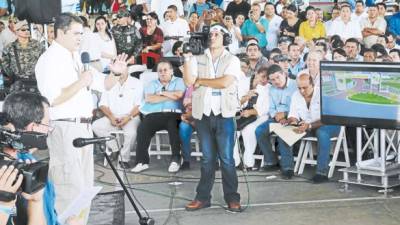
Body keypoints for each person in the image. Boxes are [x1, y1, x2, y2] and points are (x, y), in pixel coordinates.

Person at [35, 13, 125, 224]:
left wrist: (116, 73)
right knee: (68, 188)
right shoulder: (49, 60)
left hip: (84, 128)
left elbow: (103, 84)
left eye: (82, 34)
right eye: (76, 34)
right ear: (61, 32)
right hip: (65, 128)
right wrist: (81, 81)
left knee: (84, 189)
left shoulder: (76, 56)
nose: (80, 38)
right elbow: (52, 98)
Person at [183, 24, 242, 212]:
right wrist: (186, 58)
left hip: (225, 114)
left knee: (227, 160)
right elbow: (188, 81)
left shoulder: (232, 59)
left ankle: (232, 198)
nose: (213, 36)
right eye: (211, 34)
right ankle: (203, 198)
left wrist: (201, 82)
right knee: (207, 159)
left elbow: (225, 82)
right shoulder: (198, 57)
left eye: (217, 33)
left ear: (225, 38)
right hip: (204, 113)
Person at [0, 92, 83, 225]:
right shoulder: (12, 173)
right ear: (33, 127)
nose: (49, 130)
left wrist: (36, 201)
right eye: (47, 124)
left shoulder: (31, 164)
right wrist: (4, 204)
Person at [278, 73, 340, 183]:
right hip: (307, 126)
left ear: (312, 85)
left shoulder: (322, 94)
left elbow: (327, 118)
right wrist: (295, 122)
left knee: (322, 133)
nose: (301, 91)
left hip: (328, 124)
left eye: (305, 88)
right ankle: (287, 169)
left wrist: (309, 125)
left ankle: (322, 173)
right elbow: (293, 115)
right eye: (299, 88)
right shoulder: (296, 95)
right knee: (283, 133)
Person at [131, 60, 186, 173]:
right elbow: (149, 99)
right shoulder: (152, 84)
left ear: (171, 71)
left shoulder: (180, 81)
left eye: (165, 70)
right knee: (142, 128)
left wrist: (161, 93)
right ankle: (142, 162)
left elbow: (179, 95)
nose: (162, 72)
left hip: (174, 113)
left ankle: (176, 159)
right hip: (154, 114)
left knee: (174, 127)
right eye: (160, 70)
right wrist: (171, 95)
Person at [92, 64, 143, 169]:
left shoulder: (137, 83)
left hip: (131, 116)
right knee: (96, 126)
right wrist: (111, 117)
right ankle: (115, 149)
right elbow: (102, 104)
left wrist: (128, 117)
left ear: (128, 69)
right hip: (112, 116)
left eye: (122, 68)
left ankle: (124, 158)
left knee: (131, 132)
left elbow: (140, 105)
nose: (119, 71)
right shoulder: (109, 83)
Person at [255, 64, 297, 177]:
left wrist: (285, 114)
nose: (276, 81)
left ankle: (288, 168)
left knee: (283, 133)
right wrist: (276, 115)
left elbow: (298, 106)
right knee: (259, 131)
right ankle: (271, 160)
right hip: (276, 118)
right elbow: (272, 108)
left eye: (278, 77)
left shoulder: (295, 85)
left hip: (292, 118)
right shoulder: (272, 89)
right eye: (272, 80)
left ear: (284, 74)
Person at [1, 20, 45, 87]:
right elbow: (5, 64)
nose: (27, 31)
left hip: (35, 82)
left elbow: (44, 61)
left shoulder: (37, 45)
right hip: (17, 82)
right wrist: (14, 75)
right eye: (23, 30)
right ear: (16, 32)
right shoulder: (10, 47)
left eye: (28, 29)